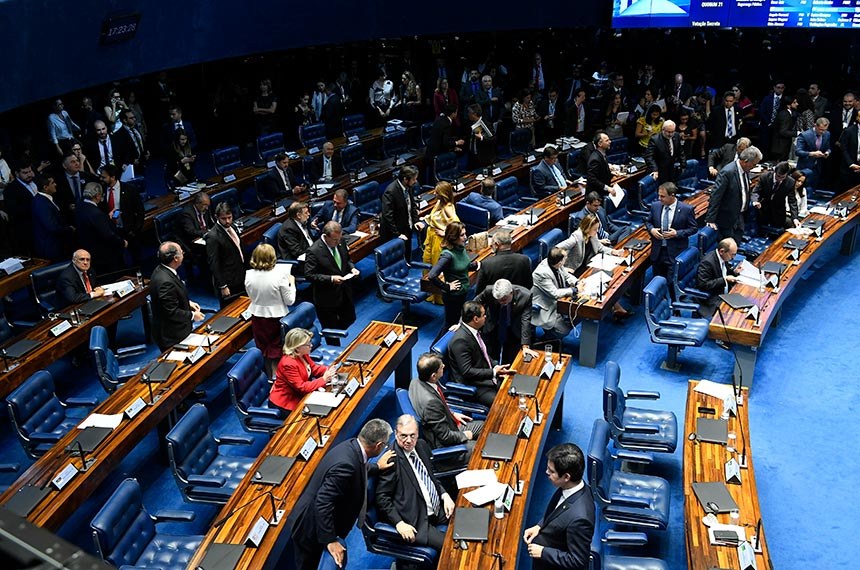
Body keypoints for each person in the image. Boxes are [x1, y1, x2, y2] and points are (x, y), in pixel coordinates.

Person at [290, 419, 395, 570]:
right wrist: (330, 540)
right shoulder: (346, 465)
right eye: (384, 445)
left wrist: (376, 467)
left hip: (318, 518)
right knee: (309, 565)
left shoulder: (352, 446)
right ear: (378, 446)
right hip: (310, 526)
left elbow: (359, 466)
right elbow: (323, 502)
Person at [375, 415, 456, 551]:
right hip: (417, 519)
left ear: (418, 434)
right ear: (396, 434)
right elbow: (382, 498)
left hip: (438, 509)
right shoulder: (391, 460)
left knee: (471, 521)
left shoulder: (422, 446)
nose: (408, 440)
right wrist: (399, 523)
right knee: (451, 548)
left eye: (412, 435)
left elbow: (430, 477)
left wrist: (444, 494)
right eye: (403, 436)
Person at [522, 443, 595, 570]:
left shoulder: (580, 519)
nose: (546, 473)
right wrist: (540, 525)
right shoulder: (570, 487)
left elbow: (578, 561)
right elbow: (556, 511)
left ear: (566, 477)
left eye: (551, 471)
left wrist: (543, 552)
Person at [408, 352, 484, 462]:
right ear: (433, 376)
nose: (443, 366)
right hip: (446, 446)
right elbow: (445, 437)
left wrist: (452, 414)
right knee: (482, 450)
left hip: (448, 424)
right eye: (440, 366)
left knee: (485, 427)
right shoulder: (431, 403)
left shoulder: (415, 381)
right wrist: (465, 435)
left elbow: (436, 414)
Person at [447, 301, 514, 407]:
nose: (486, 316)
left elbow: (484, 354)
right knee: (503, 404)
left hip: (485, 377)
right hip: (473, 385)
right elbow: (467, 371)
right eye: (483, 315)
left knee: (513, 388)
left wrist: (495, 366)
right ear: (476, 319)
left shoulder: (474, 331)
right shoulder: (460, 341)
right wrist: (493, 372)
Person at [245, 244, 296, 378]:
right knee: (278, 350)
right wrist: (293, 283)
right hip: (276, 319)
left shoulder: (248, 275)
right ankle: (279, 378)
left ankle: (268, 377)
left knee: (264, 349)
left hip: (257, 317)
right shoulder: (280, 276)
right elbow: (290, 300)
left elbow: (251, 296)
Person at [426, 222, 479, 343]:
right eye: (462, 235)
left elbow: (461, 265)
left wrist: (473, 266)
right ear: (453, 237)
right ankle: (435, 350)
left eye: (465, 234)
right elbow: (432, 275)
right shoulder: (447, 255)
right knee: (450, 324)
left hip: (462, 293)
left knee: (455, 323)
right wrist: (447, 286)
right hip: (453, 296)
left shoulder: (460, 248)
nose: (465, 237)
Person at [269, 327, 339, 415]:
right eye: (308, 344)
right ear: (297, 348)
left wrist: (330, 370)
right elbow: (302, 388)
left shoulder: (302, 354)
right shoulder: (288, 364)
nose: (311, 345)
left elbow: (314, 368)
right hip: (286, 402)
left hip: (300, 395)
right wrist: (324, 379)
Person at [150, 242, 205, 350]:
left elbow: (170, 298)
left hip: (172, 330)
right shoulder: (166, 282)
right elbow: (171, 312)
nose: (183, 253)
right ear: (175, 258)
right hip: (171, 335)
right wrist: (193, 316)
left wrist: (187, 302)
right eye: (181, 252)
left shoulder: (162, 270)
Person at [305, 221, 360, 330]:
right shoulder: (314, 251)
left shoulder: (340, 241)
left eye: (339, 238)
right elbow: (309, 275)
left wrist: (352, 268)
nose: (338, 241)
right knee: (331, 330)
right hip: (326, 297)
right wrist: (330, 279)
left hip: (344, 292)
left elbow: (347, 259)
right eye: (335, 239)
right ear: (325, 236)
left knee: (350, 319)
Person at [706, 145, 763, 244]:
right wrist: (710, 219)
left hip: (739, 215)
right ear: (745, 161)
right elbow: (716, 196)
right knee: (728, 247)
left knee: (737, 243)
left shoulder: (745, 171)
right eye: (754, 164)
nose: (754, 167)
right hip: (727, 218)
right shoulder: (727, 172)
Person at [473, 278, 537, 364]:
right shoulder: (488, 291)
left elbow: (526, 320)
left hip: (513, 328)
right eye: (498, 300)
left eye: (504, 299)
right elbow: (472, 306)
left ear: (511, 293)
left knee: (510, 359)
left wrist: (525, 346)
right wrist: (462, 322)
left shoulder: (525, 296)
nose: (501, 302)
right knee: (489, 357)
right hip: (493, 326)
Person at [644, 182, 698, 279]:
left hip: (675, 252)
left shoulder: (686, 209)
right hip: (658, 251)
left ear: (672, 195)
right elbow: (648, 222)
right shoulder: (655, 206)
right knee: (657, 280)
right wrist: (651, 230)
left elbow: (693, 229)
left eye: (663, 196)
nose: (659, 198)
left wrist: (677, 233)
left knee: (671, 282)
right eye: (659, 195)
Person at [75, 182, 127, 276]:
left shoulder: (80, 207)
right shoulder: (96, 213)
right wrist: (122, 242)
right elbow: (108, 235)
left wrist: (107, 219)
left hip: (89, 252)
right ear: (97, 196)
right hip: (103, 256)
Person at [99, 164, 145, 262]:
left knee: (136, 258)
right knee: (118, 260)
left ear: (112, 177)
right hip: (113, 232)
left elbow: (140, 211)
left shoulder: (130, 189)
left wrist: (135, 230)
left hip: (129, 230)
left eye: (104, 177)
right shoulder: (101, 190)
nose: (101, 179)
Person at [531, 247, 578, 339]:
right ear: (560, 262)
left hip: (557, 301)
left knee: (578, 313)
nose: (566, 260)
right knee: (563, 331)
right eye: (565, 259)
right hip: (545, 306)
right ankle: (546, 341)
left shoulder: (556, 264)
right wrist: (573, 290)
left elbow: (567, 276)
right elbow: (555, 293)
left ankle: (561, 325)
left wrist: (577, 282)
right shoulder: (541, 273)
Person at [380, 165, 425, 261]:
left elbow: (412, 205)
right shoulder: (391, 191)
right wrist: (397, 233)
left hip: (406, 226)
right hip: (394, 232)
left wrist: (416, 221)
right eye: (413, 179)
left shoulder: (408, 187)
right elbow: (387, 215)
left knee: (407, 255)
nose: (415, 182)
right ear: (405, 179)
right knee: (396, 258)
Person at [205, 201, 246, 306]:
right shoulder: (212, 236)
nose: (227, 221)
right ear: (216, 217)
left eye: (229, 217)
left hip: (240, 275)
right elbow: (214, 263)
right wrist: (223, 286)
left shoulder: (234, 228)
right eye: (224, 218)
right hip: (228, 281)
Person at [422, 181, 459, 291]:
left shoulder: (448, 207)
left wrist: (445, 233)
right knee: (427, 261)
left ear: (443, 194)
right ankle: (429, 292)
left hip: (440, 240)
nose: (434, 193)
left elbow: (457, 225)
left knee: (437, 267)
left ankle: (439, 295)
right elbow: (433, 216)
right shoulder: (439, 202)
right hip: (431, 237)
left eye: (437, 192)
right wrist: (423, 222)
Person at [31, 174, 74, 261]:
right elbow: (52, 227)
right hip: (51, 247)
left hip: (56, 245)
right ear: (45, 187)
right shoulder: (42, 204)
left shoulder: (45, 199)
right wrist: (69, 228)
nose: (55, 184)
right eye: (52, 183)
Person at [696, 237, 742, 318]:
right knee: (735, 316)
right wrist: (724, 280)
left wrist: (734, 272)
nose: (733, 258)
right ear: (722, 251)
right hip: (713, 297)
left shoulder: (724, 257)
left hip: (726, 293)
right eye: (732, 254)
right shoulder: (707, 262)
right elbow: (703, 284)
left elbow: (725, 272)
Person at [754, 162, 800, 229]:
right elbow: (756, 192)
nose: (780, 179)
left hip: (778, 213)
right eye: (778, 176)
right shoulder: (764, 177)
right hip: (762, 210)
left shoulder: (790, 182)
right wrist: (755, 201)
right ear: (774, 172)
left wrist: (795, 218)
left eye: (783, 177)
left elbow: (792, 201)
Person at [4, 162, 38, 253]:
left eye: (30, 171)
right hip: (28, 230)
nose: (29, 175)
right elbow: (14, 211)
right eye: (25, 173)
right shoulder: (11, 190)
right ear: (17, 173)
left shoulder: (37, 181)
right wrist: (35, 207)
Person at [794, 117, 831, 187]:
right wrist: (812, 154)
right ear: (815, 125)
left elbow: (828, 148)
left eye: (824, 130)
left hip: (817, 167)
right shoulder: (805, 135)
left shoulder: (827, 134)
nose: (822, 132)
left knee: (813, 189)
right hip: (805, 167)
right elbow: (798, 151)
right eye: (820, 130)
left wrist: (827, 152)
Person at [644, 119, 684, 184]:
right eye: (668, 132)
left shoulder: (676, 136)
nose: (670, 134)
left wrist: (683, 164)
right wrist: (655, 169)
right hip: (660, 171)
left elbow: (680, 151)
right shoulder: (655, 140)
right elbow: (649, 156)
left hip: (671, 170)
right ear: (663, 129)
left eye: (672, 132)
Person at [276, 201, 314, 266]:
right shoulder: (288, 229)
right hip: (296, 262)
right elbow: (296, 251)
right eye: (306, 213)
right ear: (299, 215)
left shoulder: (303, 221)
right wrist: (315, 252)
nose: (309, 214)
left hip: (309, 251)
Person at [586, 131, 621, 198]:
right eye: (607, 140)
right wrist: (607, 188)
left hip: (601, 191)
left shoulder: (601, 154)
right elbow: (592, 178)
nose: (610, 142)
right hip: (595, 196)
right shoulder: (595, 159)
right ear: (600, 143)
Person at [466, 104, 495, 169]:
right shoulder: (469, 123)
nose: (468, 114)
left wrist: (482, 138)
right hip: (472, 156)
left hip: (483, 157)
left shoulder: (486, 123)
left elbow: (493, 139)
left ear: (475, 114)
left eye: (469, 113)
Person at [838, 109, 860, 190]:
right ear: (858, 118)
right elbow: (844, 149)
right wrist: (851, 164)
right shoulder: (849, 131)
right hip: (849, 168)